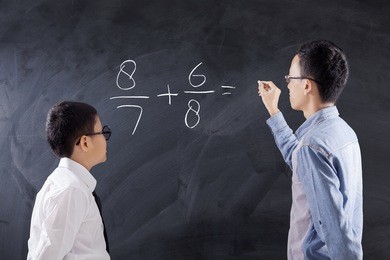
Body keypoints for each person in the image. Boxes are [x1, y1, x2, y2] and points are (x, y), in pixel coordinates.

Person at [257, 40, 363, 259]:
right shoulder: (344, 133)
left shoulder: (313, 147)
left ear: (306, 85)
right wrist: (273, 111)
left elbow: (337, 234)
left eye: (290, 78)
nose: (287, 84)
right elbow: (301, 161)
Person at [27, 101, 112, 260]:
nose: (105, 139)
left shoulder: (71, 185)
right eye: (102, 132)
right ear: (85, 142)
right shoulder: (71, 190)